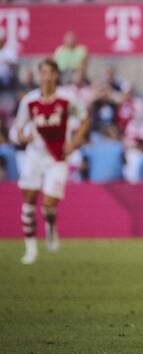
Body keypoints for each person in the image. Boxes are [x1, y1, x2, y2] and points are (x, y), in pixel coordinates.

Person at [14, 58, 90, 265]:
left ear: (56, 75)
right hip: (34, 157)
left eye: (49, 73)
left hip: (58, 157)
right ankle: (30, 249)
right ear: (39, 75)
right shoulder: (29, 101)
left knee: (48, 204)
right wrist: (23, 136)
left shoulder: (67, 99)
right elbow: (18, 129)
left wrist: (74, 142)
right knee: (29, 201)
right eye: (43, 73)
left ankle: (51, 226)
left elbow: (85, 118)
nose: (46, 77)